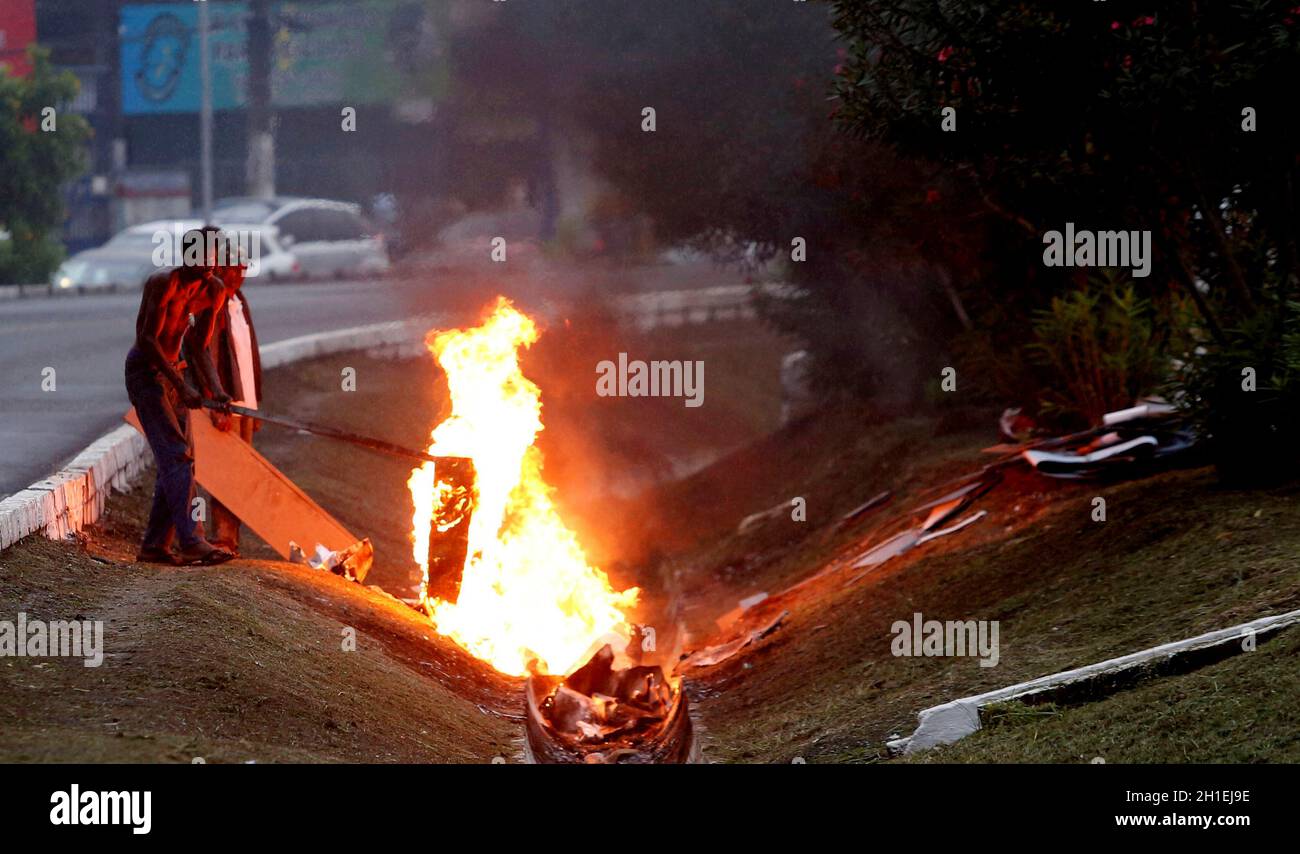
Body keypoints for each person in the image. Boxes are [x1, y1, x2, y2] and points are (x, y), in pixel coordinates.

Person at [125, 226, 234, 566]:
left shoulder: (214, 290)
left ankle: (155, 546)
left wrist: (216, 389)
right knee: (175, 454)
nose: (211, 262)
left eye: (215, 254)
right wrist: (182, 385)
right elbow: (147, 340)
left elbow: (201, 347)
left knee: (181, 458)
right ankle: (192, 541)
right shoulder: (163, 283)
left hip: (175, 373)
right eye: (204, 254)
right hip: (147, 375)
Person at [188, 242, 262, 557]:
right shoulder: (212, 306)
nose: (240, 273)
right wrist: (214, 401)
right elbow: (207, 355)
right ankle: (220, 537)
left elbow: (249, 356)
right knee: (224, 473)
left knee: (241, 476)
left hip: (247, 403)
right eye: (234, 267)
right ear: (220, 268)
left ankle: (231, 538)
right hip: (224, 403)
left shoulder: (239, 302)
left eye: (244, 268)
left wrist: (255, 405)